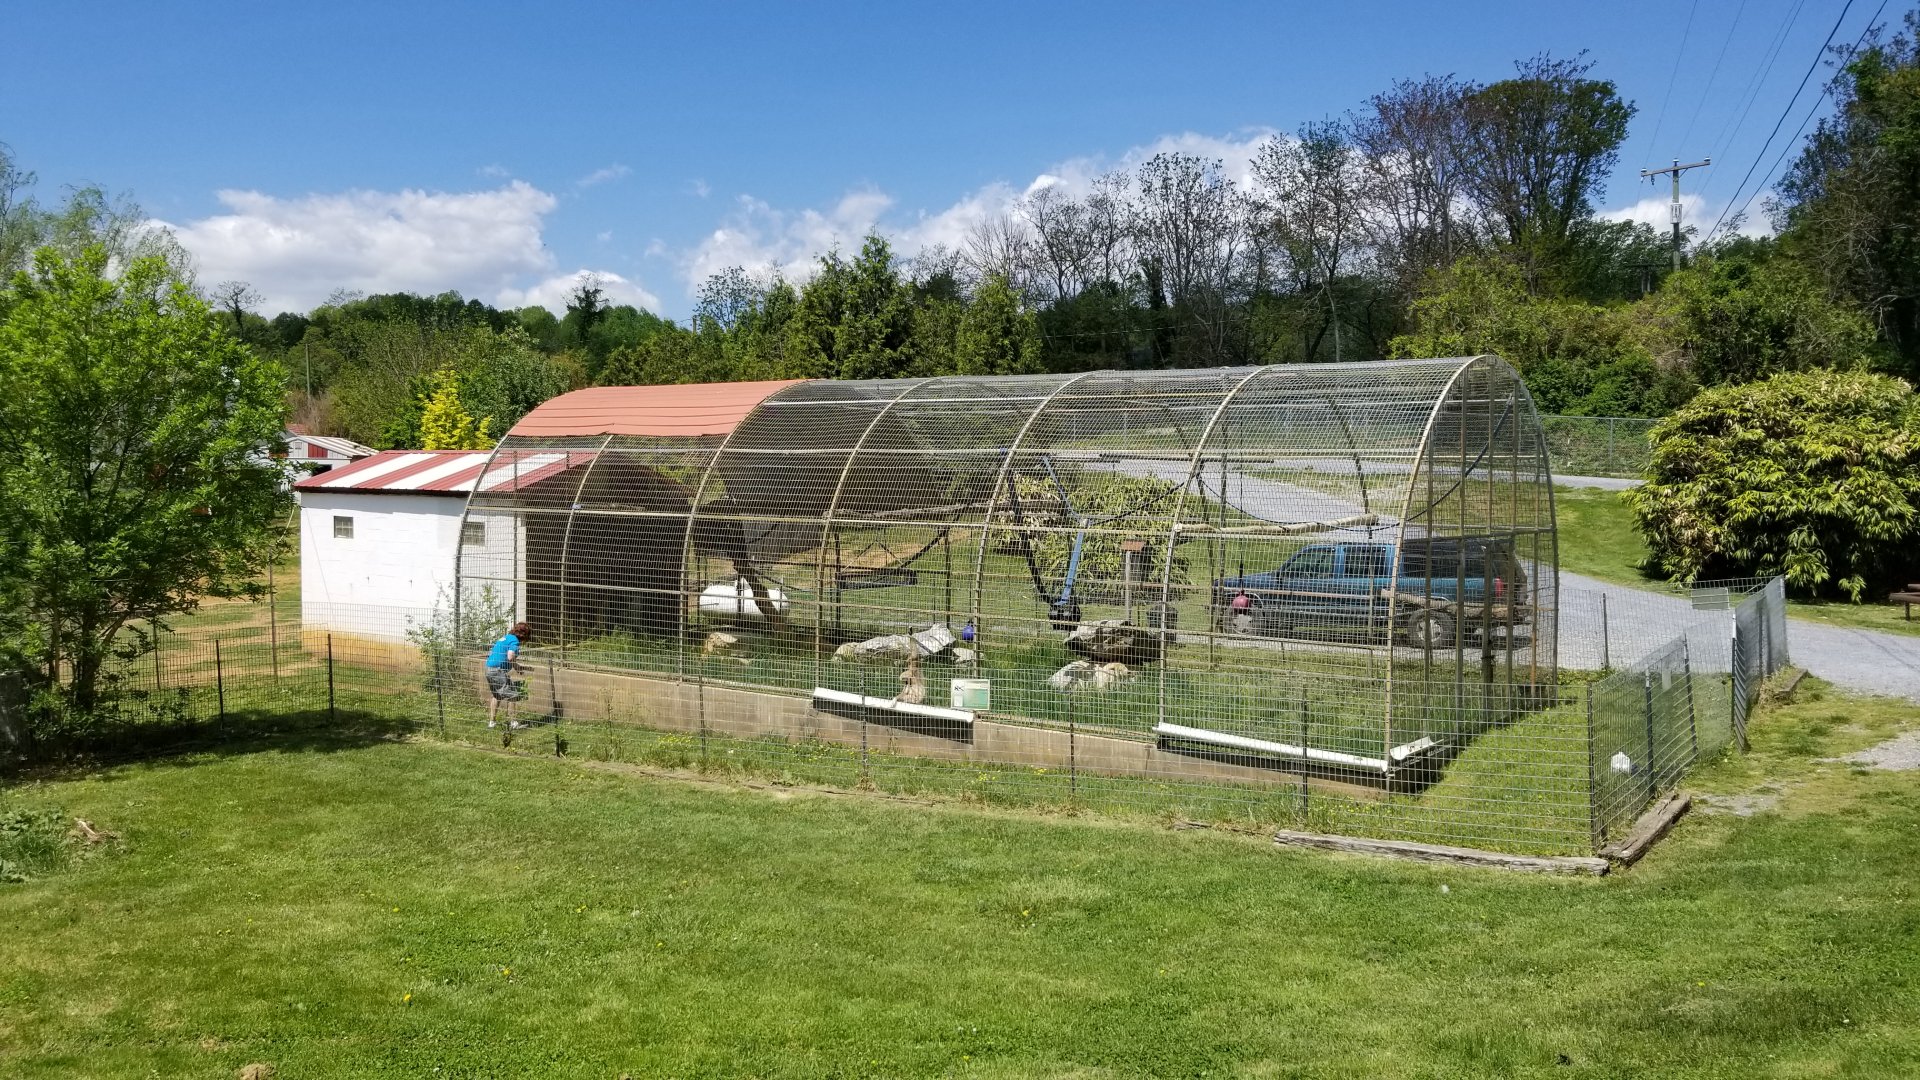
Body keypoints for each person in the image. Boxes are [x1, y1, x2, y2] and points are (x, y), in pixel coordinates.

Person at [486, 621, 530, 729]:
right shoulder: (514, 641)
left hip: (489, 669)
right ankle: (513, 723)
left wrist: (516, 667)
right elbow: (510, 656)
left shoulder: (506, 637)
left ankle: (492, 723)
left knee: (497, 695)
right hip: (498, 671)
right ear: (523, 635)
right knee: (513, 695)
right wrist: (515, 665)